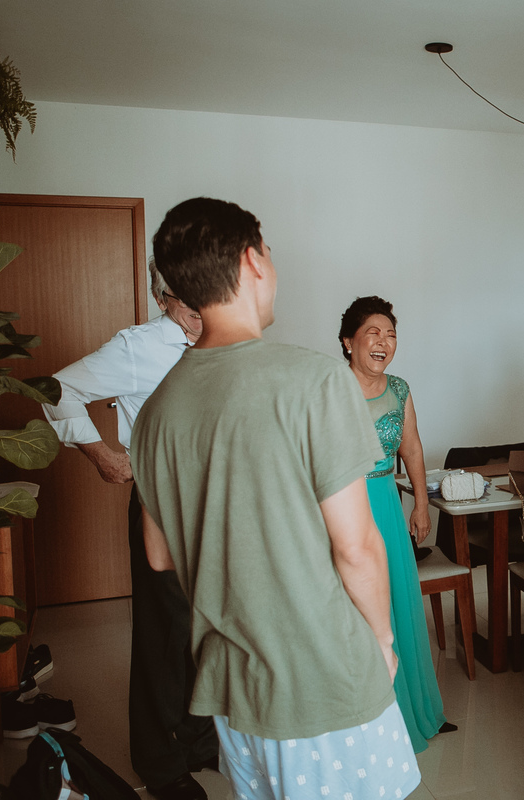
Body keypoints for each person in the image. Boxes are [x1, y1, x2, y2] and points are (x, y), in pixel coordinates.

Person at [131, 197, 420, 800]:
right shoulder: (315, 380)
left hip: (231, 686)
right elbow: (357, 546)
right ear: (251, 261)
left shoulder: (158, 409)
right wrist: (382, 643)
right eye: (269, 252)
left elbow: (159, 554)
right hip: (323, 677)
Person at [41, 260, 216, 800]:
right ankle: (160, 764)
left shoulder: (220, 340)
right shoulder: (138, 346)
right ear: (162, 298)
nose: (198, 305)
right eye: (184, 295)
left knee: (204, 628)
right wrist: (101, 454)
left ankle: (197, 738)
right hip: (162, 500)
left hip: (212, 501)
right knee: (164, 635)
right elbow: (54, 389)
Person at [338, 295, 451, 752]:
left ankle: (414, 710)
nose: (383, 342)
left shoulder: (399, 389)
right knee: (355, 607)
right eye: (373, 333)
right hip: (342, 506)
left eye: (391, 334)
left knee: (398, 601)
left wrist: (421, 505)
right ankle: (363, 724)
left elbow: (413, 448)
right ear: (348, 342)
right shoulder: (328, 388)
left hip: (385, 501)